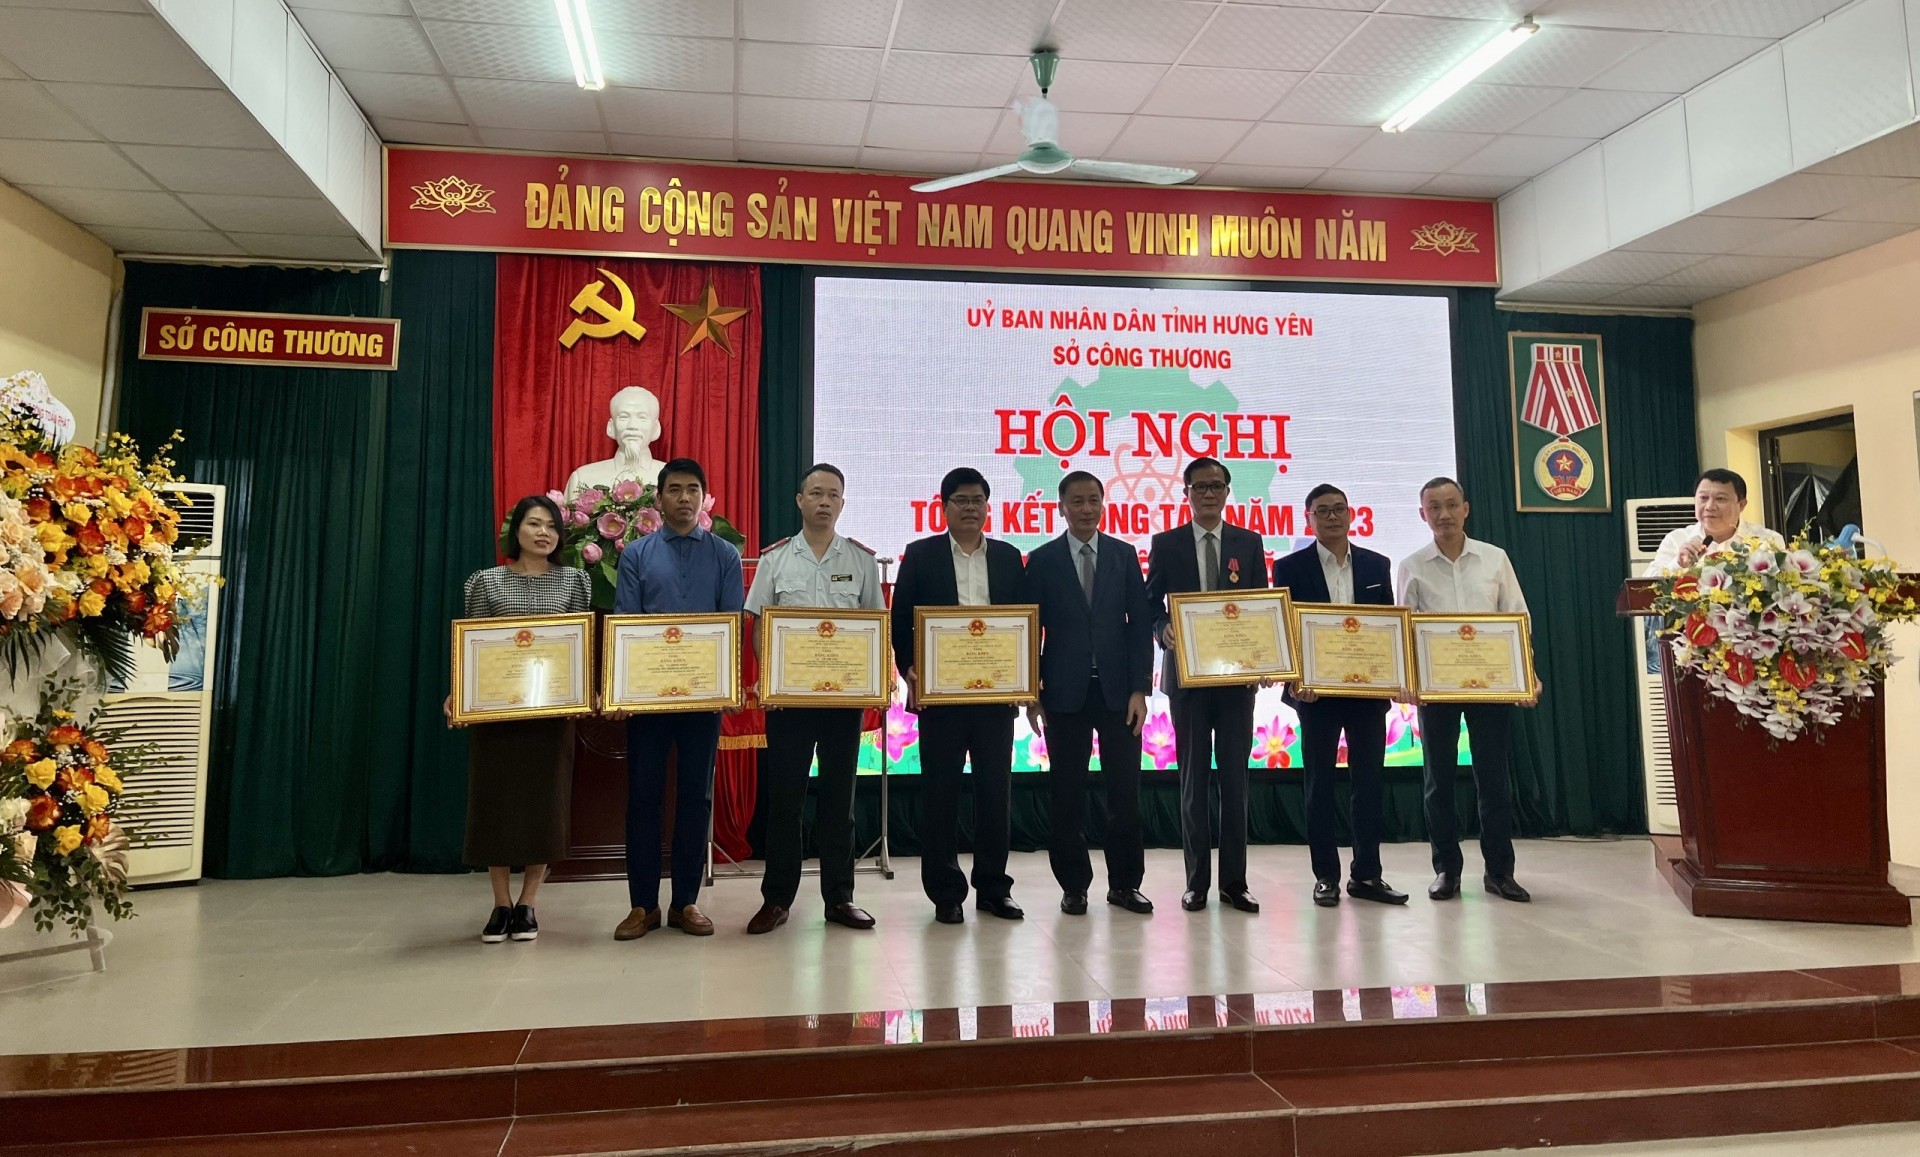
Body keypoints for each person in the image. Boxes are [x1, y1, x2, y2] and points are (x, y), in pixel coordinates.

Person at [742, 463, 884, 935]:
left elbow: (874, 629)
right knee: (785, 800)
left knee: (839, 801)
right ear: (799, 500)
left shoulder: (861, 560)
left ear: (842, 503)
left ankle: (839, 899)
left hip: (843, 702)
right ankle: (777, 899)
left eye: (833, 495)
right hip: (791, 702)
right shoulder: (775, 559)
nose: (824, 502)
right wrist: (772, 678)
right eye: (816, 493)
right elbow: (761, 624)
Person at [446, 495, 592, 944]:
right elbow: (472, 646)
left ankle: (529, 901)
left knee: (543, 806)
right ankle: (499, 903)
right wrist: (458, 693)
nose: (543, 532)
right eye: (533, 524)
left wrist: (588, 688)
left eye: (550, 525)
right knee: (495, 804)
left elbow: (580, 645)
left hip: (551, 713)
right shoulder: (484, 582)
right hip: (498, 712)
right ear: (517, 532)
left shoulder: (575, 581)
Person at [610, 458, 744, 940]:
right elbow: (626, 621)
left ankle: (686, 902)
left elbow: (731, 621)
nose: (684, 498)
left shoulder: (725, 555)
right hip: (648, 700)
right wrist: (624, 686)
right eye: (674, 490)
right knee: (642, 798)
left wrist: (727, 684)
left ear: (704, 499)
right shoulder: (636, 555)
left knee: (695, 797)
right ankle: (642, 905)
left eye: (692, 490)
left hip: (703, 700)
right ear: (658, 499)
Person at [891, 467, 1027, 924]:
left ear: (989, 507)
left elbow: (1025, 624)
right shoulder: (920, 555)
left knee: (996, 794)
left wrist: (1025, 675)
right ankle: (946, 892)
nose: (970, 507)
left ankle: (993, 888)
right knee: (940, 795)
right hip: (941, 698)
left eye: (978, 500)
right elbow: (901, 622)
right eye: (961, 500)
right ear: (943, 506)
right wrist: (910, 667)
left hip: (994, 699)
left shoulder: (1009, 558)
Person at [1397, 476, 1538, 903]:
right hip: (1436, 690)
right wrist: (1408, 682)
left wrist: (1526, 674)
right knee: (1438, 782)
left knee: (1493, 780)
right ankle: (1447, 871)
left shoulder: (1494, 559)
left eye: (1451, 505)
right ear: (1423, 515)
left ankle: (1499, 872)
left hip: (1491, 686)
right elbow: (1404, 629)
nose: (1444, 514)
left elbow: (1518, 619)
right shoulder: (1412, 565)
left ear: (1466, 508)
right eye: (1434, 507)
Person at [1023, 471, 1154, 917]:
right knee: (1067, 794)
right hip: (1062, 694)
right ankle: (1074, 885)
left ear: (1103, 504)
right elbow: (1028, 629)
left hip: (1119, 694)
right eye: (1076, 501)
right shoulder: (1041, 560)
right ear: (1061, 507)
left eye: (1093, 500)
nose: (1085, 508)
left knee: (1125, 794)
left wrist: (1140, 688)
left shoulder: (1123, 555)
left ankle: (1125, 885)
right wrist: (1031, 692)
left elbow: (1138, 626)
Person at [1271, 483, 1406, 909]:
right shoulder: (1290, 567)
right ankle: (1325, 876)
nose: (1332, 517)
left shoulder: (1376, 564)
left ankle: (1367, 874)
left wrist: (1393, 675)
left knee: (1368, 785)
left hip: (1367, 694)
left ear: (1352, 516)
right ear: (1308, 519)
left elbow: (1387, 627)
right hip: (1316, 695)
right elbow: (1288, 628)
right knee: (1319, 786)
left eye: (1339, 510)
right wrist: (1296, 678)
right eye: (1323, 511)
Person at [1146, 458, 1267, 914]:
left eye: (1217, 486)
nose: (1209, 493)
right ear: (1187, 494)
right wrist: (1163, 631)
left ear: (1228, 491)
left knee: (1235, 783)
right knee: (1194, 783)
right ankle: (1196, 881)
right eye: (1200, 487)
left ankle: (1235, 882)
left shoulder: (1249, 542)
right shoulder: (1167, 543)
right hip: (1189, 681)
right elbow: (1149, 604)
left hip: (1237, 682)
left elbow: (1260, 608)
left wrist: (1266, 656)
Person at [1646, 468, 1785, 574]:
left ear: (1741, 505)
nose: (1710, 506)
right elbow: (1645, 587)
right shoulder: (1676, 539)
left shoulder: (1768, 540)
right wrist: (1678, 564)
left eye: (1720, 499)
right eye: (1703, 498)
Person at [564, 386, 667, 501]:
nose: (632, 425)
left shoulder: (673, 479)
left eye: (642, 418)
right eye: (624, 417)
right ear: (611, 427)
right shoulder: (583, 478)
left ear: (656, 428)